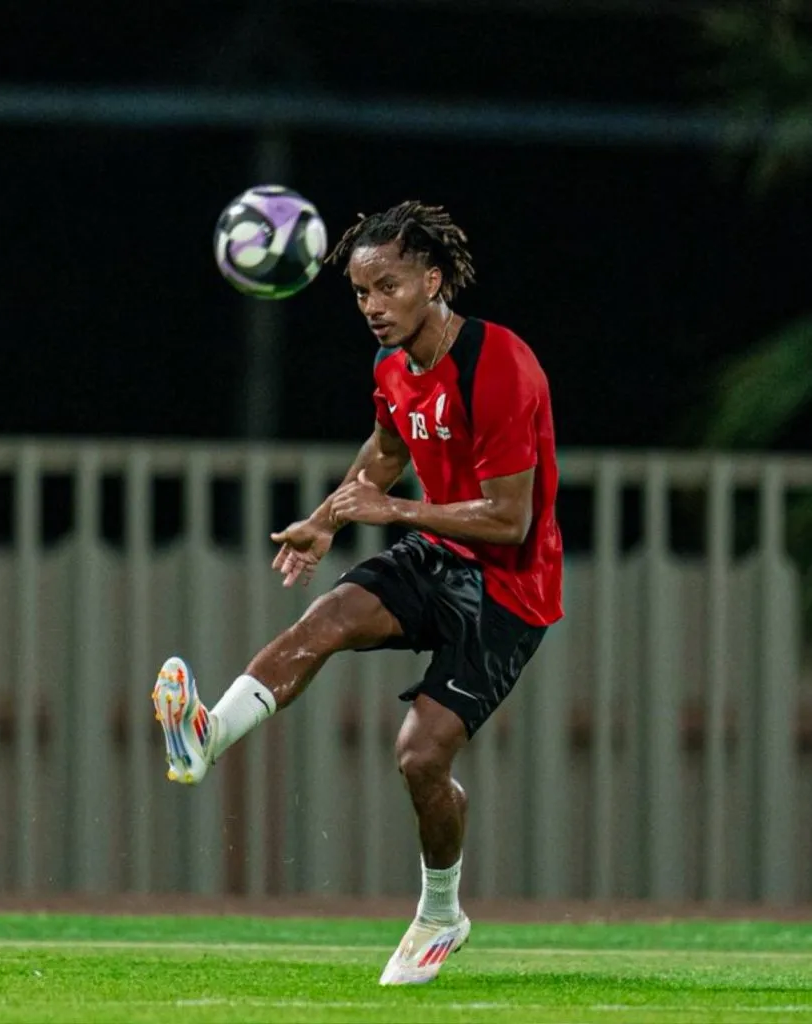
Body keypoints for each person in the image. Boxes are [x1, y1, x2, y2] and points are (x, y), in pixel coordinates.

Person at [152, 200, 563, 985]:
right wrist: (325, 518)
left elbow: (509, 521)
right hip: (438, 552)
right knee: (328, 617)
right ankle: (205, 737)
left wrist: (391, 509)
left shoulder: (498, 363)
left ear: (432, 280)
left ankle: (440, 912)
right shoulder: (390, 368)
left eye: (387, 287)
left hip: (510, 588)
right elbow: (382, 453)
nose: (372, 307)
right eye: (359, 293)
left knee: (419, 758)